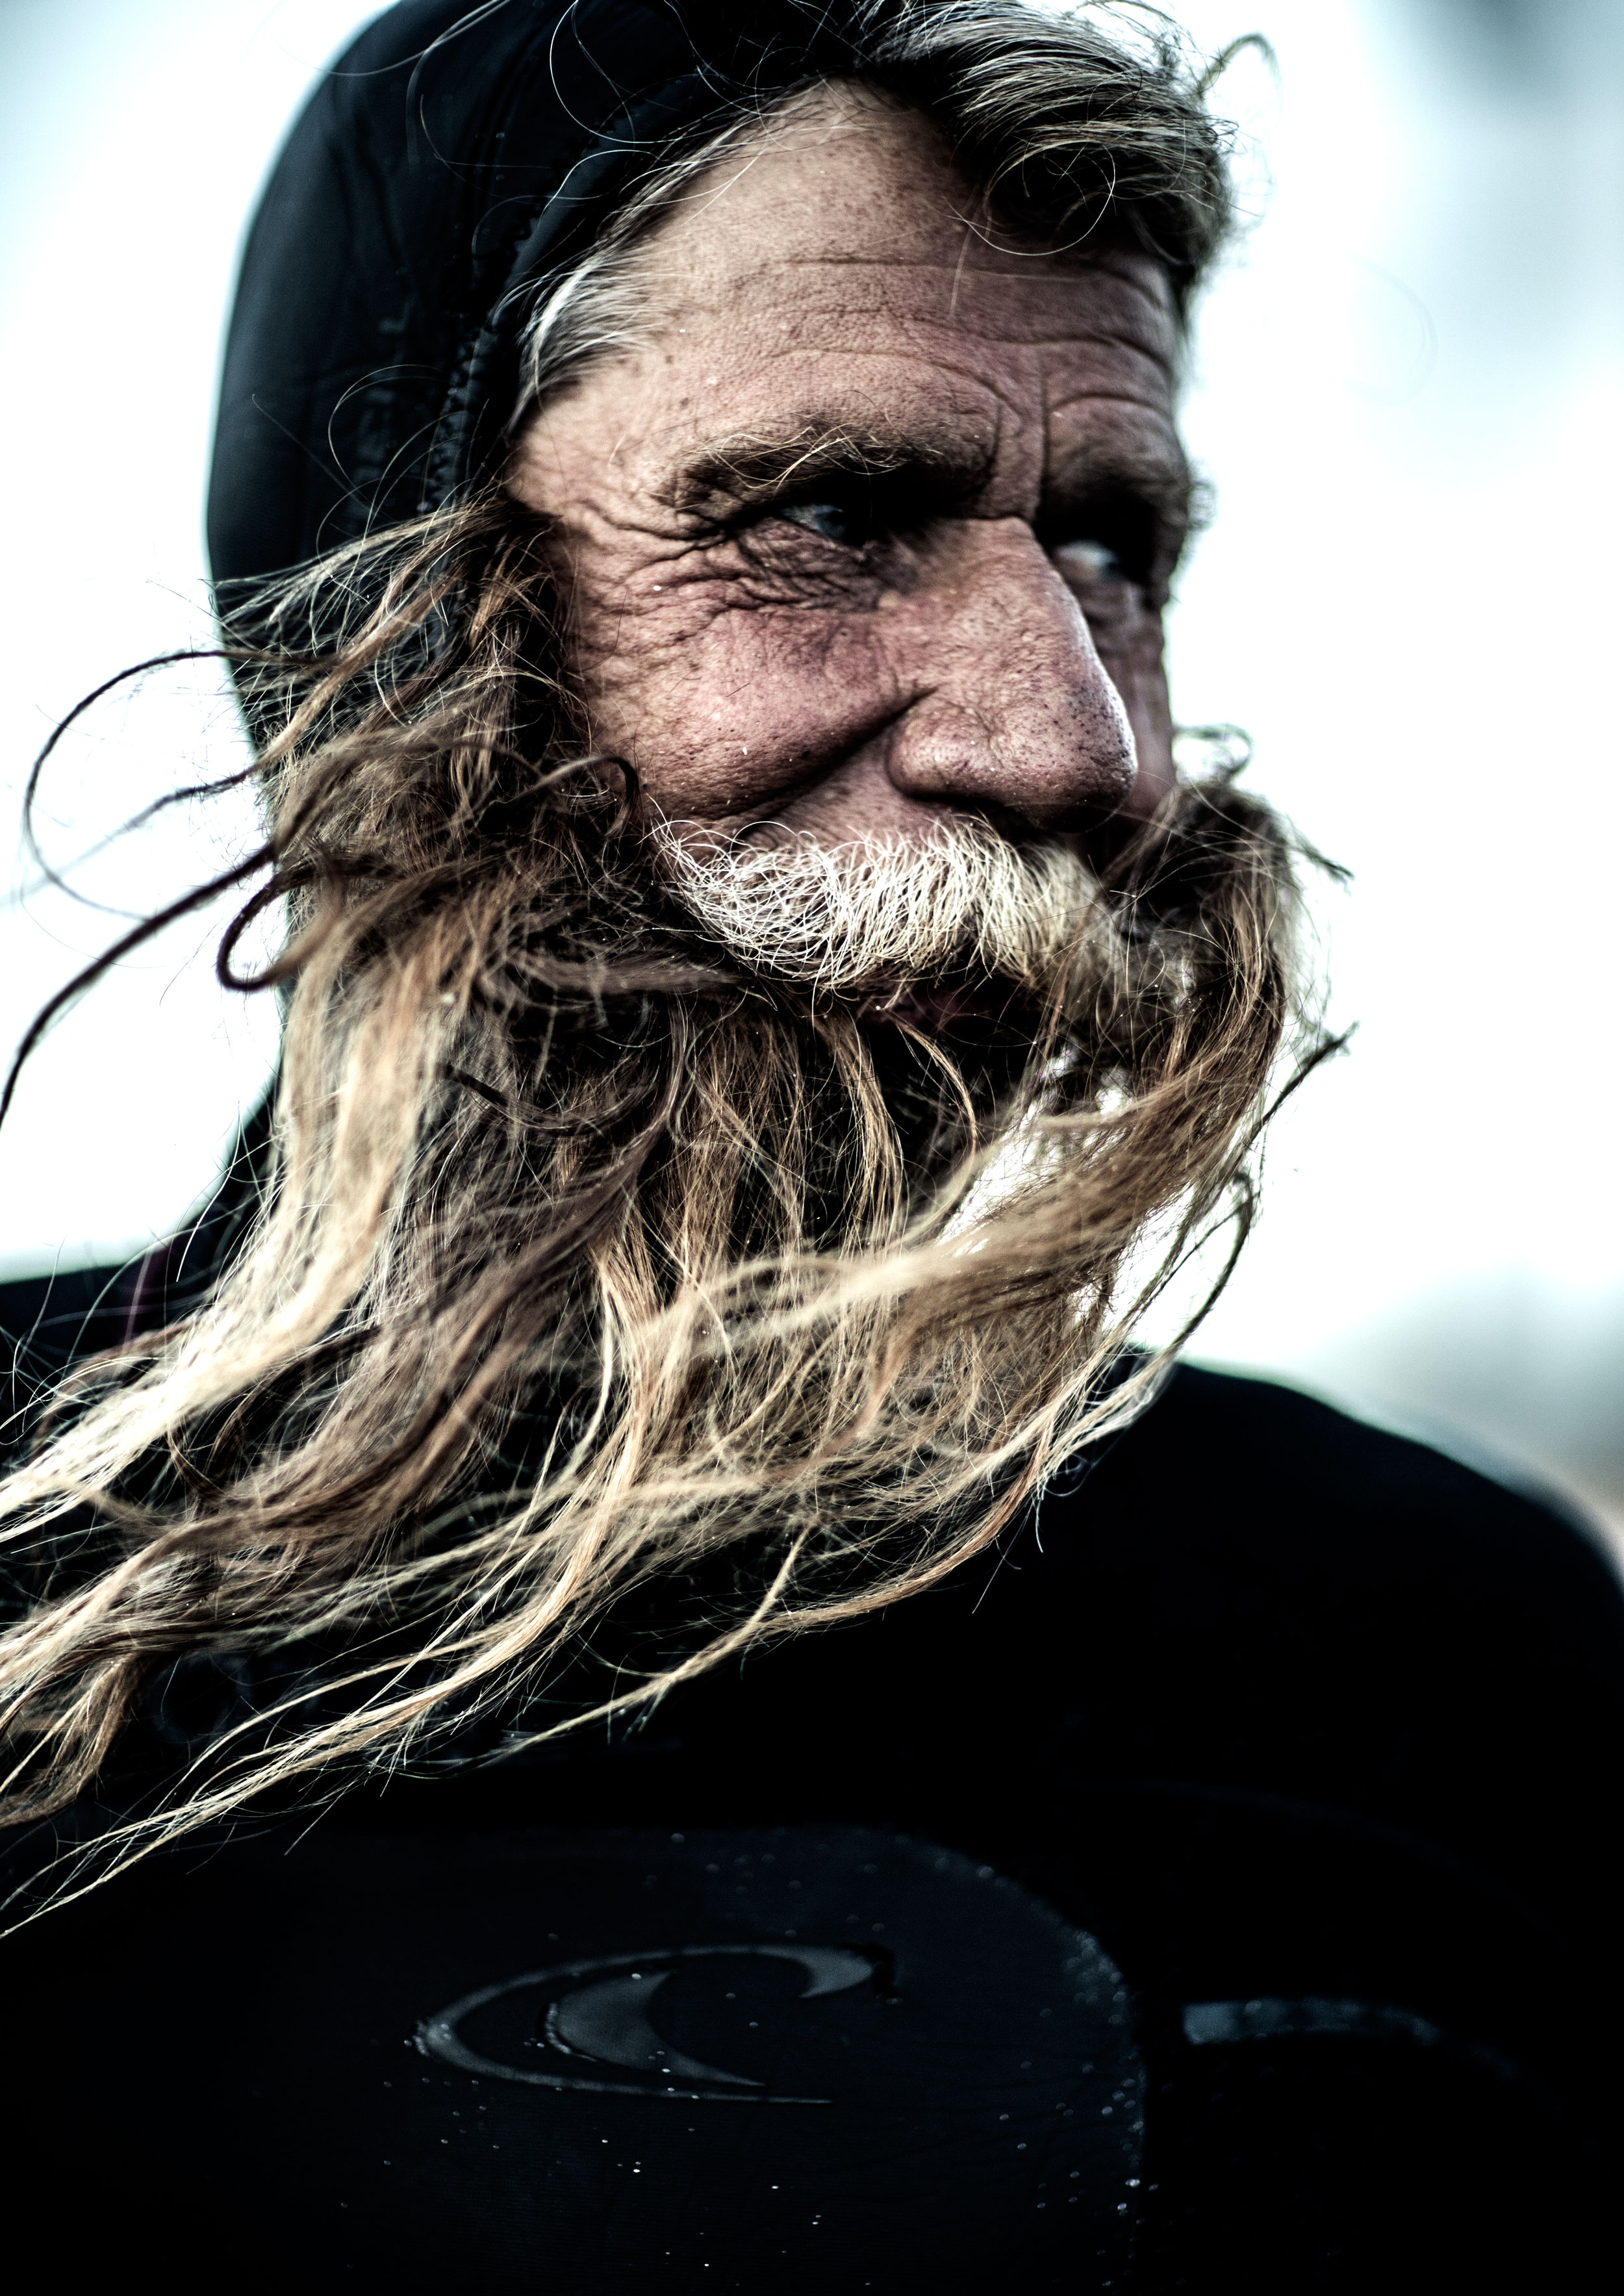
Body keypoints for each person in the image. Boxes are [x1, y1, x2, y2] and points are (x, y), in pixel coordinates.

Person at [0, 3, 1618, 2287]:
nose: (1074, 748)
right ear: (375, 622)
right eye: (834, 518)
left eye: (1108, 545)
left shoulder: (1435, 1649)